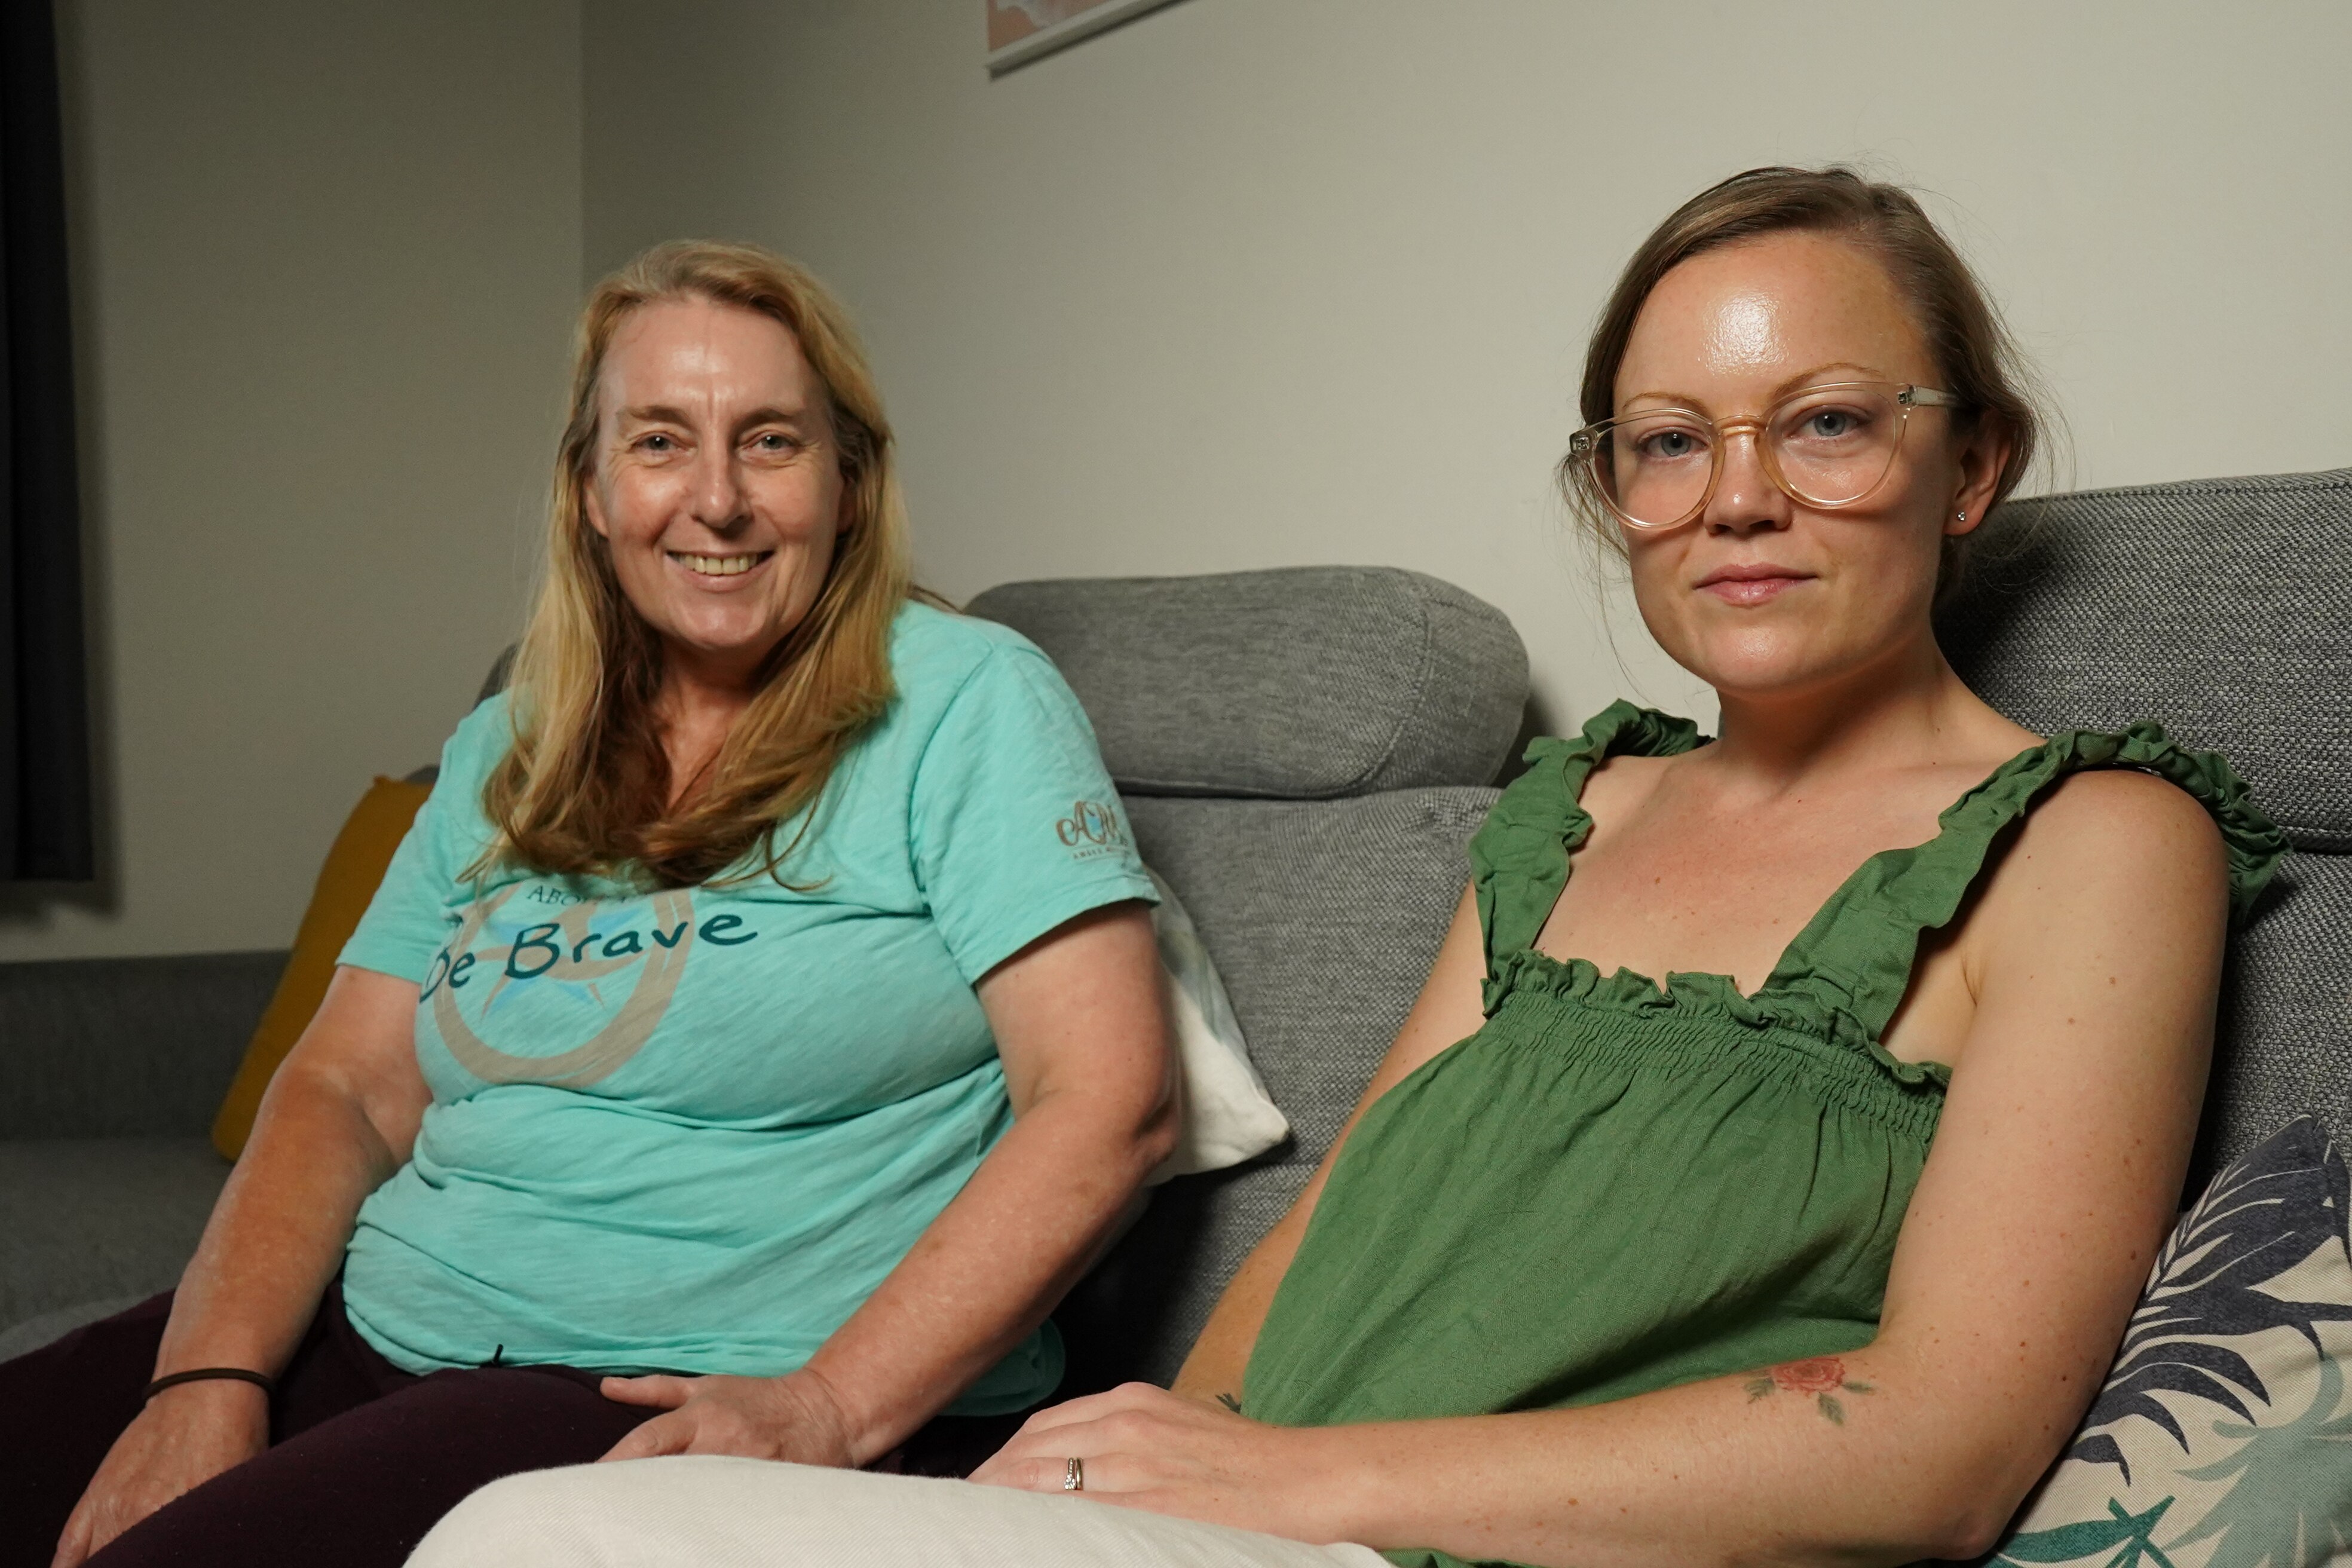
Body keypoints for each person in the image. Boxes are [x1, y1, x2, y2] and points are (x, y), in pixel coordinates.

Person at [408, 167, 2286, 1568]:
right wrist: (1160, 1447)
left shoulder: (2098, 844)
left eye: (1825, 423)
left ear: (1976, 466)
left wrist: (1284, 1488)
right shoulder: (1576, 810)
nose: (1734, 498)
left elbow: (1934, 1447)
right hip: (1253, 1527)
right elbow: (1342, 1211)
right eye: (1663, 443)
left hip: (1443, 1541)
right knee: (541, 1531)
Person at [2, 241, 1177, 1568]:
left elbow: (1110, 1101)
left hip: (667, 1399)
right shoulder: (514, 740)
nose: (717, 499)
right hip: (382, 1326)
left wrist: (831, 1406)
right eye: (663, 440)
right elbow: (344, 1084)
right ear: (592, 490)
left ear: (849, 484)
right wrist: (208, 1379)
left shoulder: (967, 701)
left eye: (773, 441)